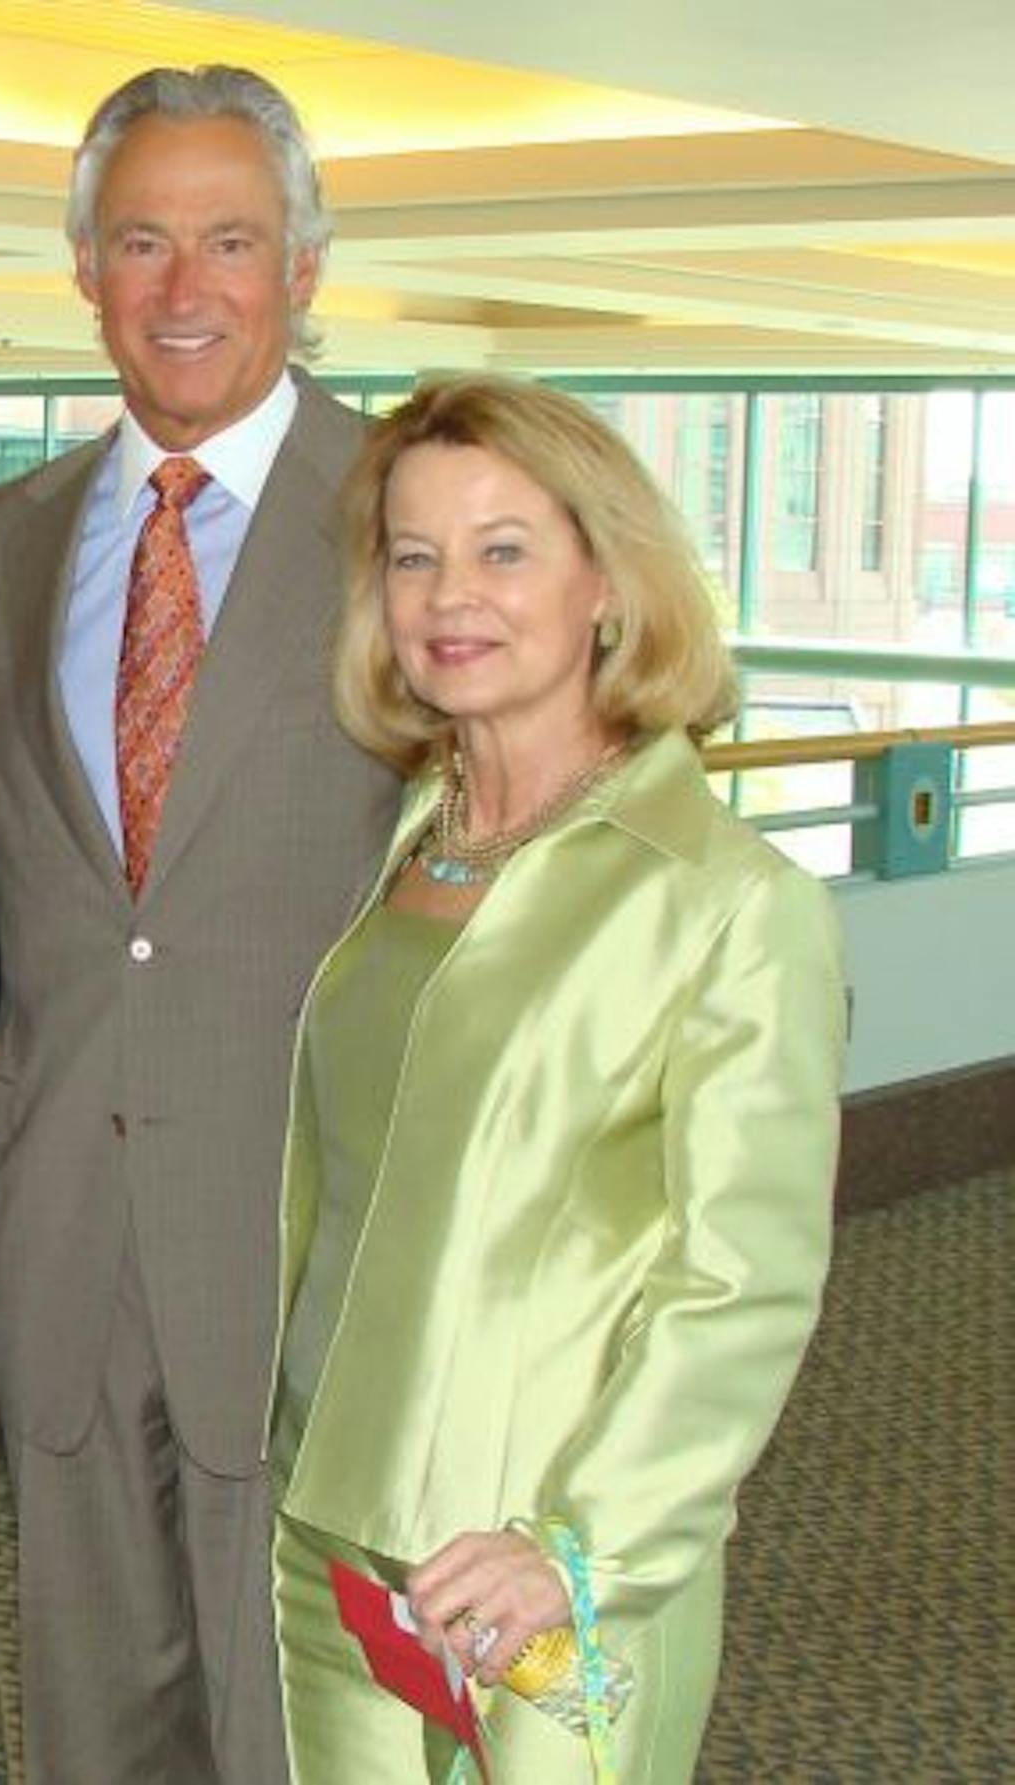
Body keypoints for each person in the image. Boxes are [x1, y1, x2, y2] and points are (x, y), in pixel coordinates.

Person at [269, 374, 847, 1782]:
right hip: (331, 1543)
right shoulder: (414, 845)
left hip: (537, 1576)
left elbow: (743, 1280)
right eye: (414, 556)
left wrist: (579, 1543)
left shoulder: (725, 901)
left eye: (503, 547)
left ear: (607, 580)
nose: (449, 594)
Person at [0, 64, 398, 1785]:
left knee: (314, 1718)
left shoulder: (421, 525)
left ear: (305, 263)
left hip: (320, 1217)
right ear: (82, 267)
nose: (184, 289)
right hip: (65, 1221)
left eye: (229, 240)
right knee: (93, 1715)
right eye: (142, 240)